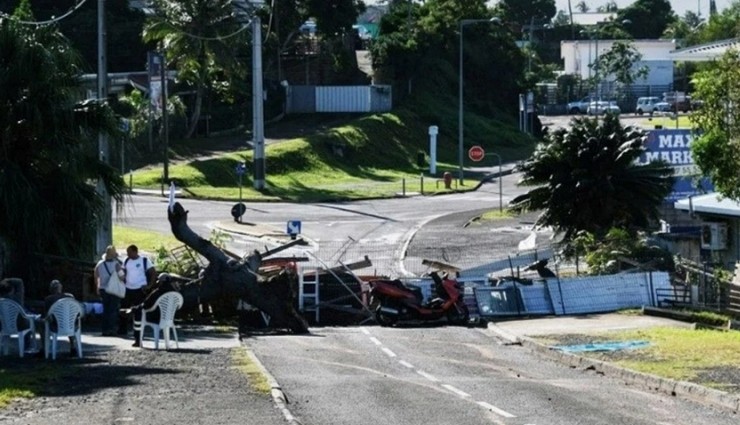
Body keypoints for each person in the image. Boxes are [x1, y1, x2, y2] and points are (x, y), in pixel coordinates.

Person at [131, 272, 179, 347]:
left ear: (160, 282)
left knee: (138, 312)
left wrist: (136, 308)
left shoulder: (158, 292)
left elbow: (146, 304)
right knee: (138, 309)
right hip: (170, 318)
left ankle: (138, 340)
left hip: (155, 318)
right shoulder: (175, 293)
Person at [121, 244, 156, 336]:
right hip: (128, 289)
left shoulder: (144, 260)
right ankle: (122, 329)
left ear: (135, 251)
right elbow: (123, 272)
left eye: (130, 252)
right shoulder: (126, 260)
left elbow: (153, 273)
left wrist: (149, 286)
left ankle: (138, 332)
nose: (128, 254)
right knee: (124, 309)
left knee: (138, 311)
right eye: (127, 252)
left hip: (140, 289)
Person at [94, 245, 124, 336]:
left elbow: (96, 276)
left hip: (103, 289)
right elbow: (122, 277)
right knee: (113, 310)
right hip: (113, 290)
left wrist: (97, 287)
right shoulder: (116, 265)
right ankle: (112, 329)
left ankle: (105, 329)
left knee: (106, 310)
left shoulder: (99, 264)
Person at [43, 280, 78, 355]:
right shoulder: (70, 297)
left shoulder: (48, 299)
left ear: (51, 289)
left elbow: (46, 315)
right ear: (61, 287)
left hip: (56, 326)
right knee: (69, 322)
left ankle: (43, 348)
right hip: (71, 325)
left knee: (41, 325)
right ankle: (73, 346)